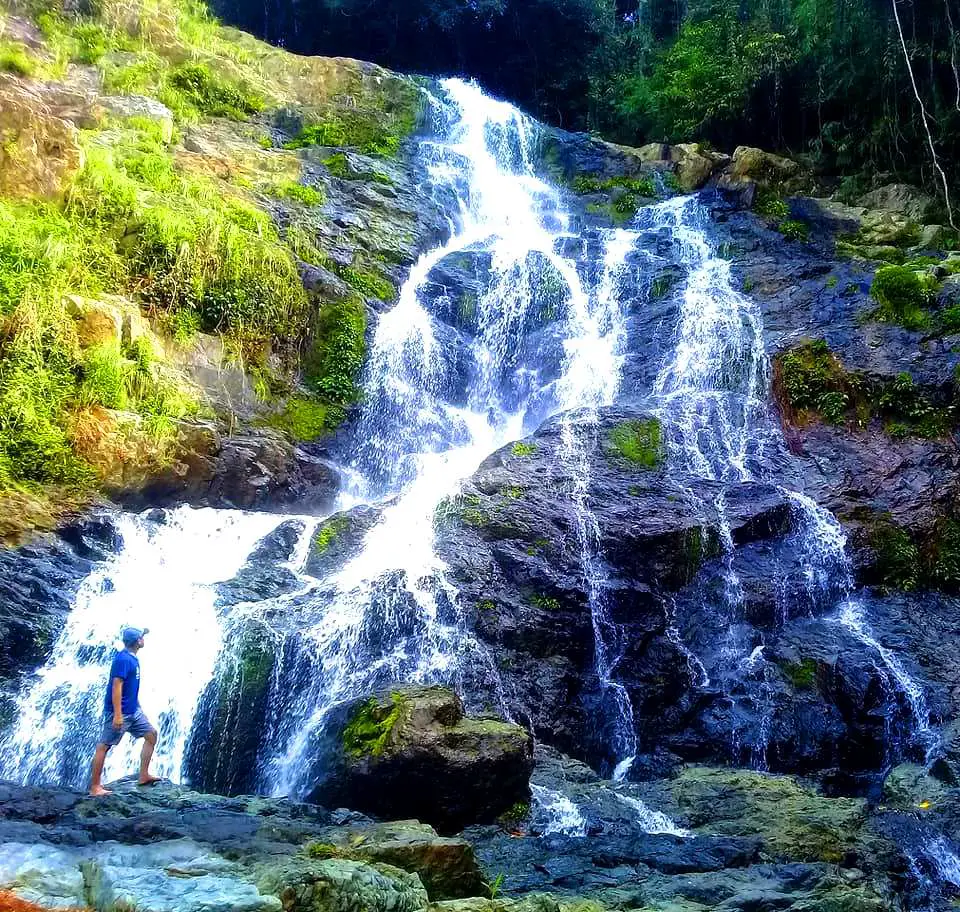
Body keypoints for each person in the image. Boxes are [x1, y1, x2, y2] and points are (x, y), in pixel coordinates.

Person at [88, 626, 161, 797]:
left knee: (151, 735)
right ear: (138, 641)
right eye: (142, 637)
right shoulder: (123, 660)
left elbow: (130, 687)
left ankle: (143, 775)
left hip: (133, 711)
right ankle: (95, 787)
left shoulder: (132, 657)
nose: (144, 639)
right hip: (120, 712)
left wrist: (138, 707)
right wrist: (118, 714)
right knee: (104, 746)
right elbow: (117, 686)